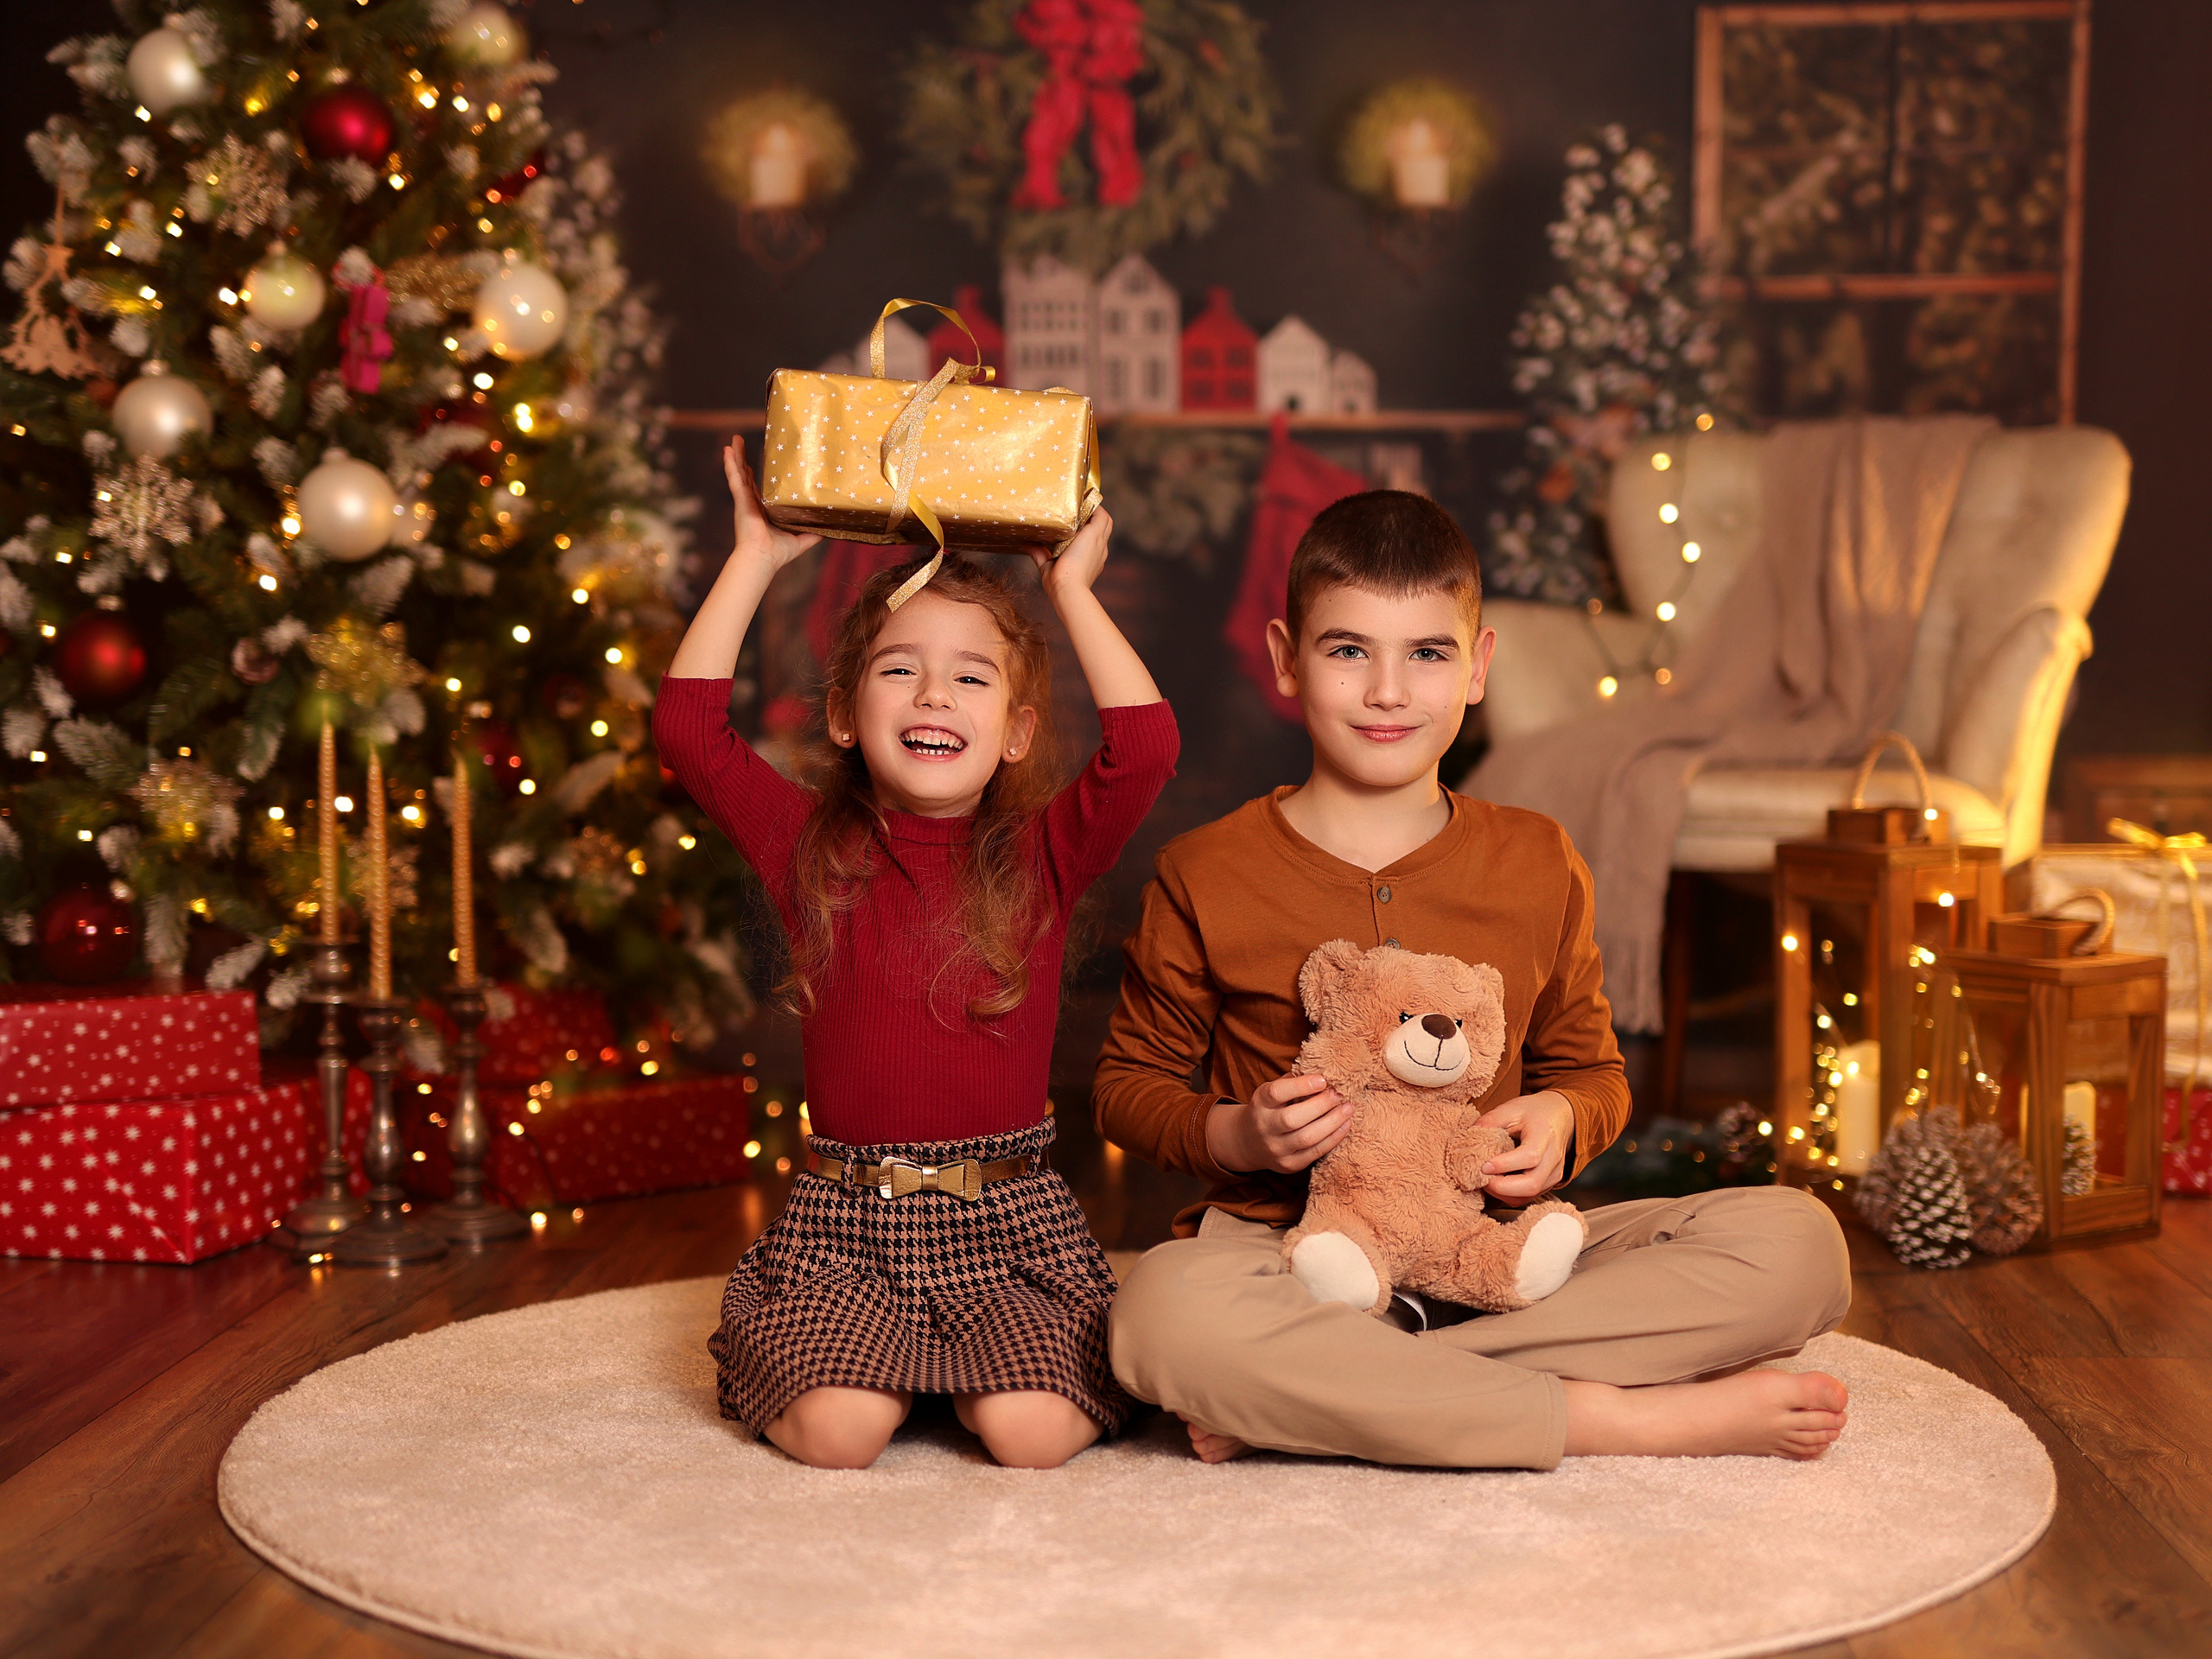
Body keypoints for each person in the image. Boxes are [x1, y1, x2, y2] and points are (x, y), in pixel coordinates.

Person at [1096, 490, 1853, 1470]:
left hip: (1492, 1250)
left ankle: (1334, 1388)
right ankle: (1602, 1417)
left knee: (1797, 1246)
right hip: (1292, 1255)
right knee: (1160, 1317)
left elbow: (1593, 1072)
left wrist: (1563, 1123)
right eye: (1347, 650)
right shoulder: (1207, 867)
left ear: (1479, 665)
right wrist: (1239, 1132)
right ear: (1286, 657)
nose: (1387, 692)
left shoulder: (1540, 858)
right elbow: (1125, 1090)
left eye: (1427, 653)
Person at [656, 442, 1176, 1471]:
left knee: (1030, 1436)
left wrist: (1069, 588)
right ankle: (885, 1373)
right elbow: (688, 731)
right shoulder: (808, 845)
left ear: (1017, 732)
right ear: (848, 716)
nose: (934, 695)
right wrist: (755, 556)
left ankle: (965, 1375)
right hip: (846, 1230)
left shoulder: (1045, 854)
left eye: (970, 678)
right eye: (901, 671)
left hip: (1009, 1230)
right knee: (838, 1435)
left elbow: (1145, 747)